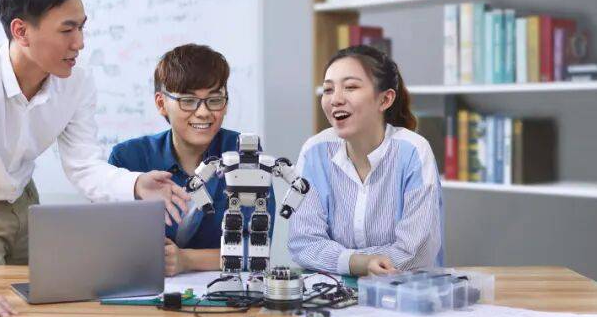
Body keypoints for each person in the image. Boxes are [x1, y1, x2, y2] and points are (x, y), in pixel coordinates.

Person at [0, 0, 189, 317]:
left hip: (25, 203)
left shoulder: (77, 82)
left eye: (81, 27)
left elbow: (82, 165)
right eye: (67, 29)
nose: (80, 43)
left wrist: (136, 185)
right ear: (21, 31)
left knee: (45, 307)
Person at [108, 44, 274, 276]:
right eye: (188, 100)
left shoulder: (242, 154)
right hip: (144, 288)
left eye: (214, 100)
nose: (203, 112)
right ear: (161, 103)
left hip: (220, 290)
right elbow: (110, 245)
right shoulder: (128, 158)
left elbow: (256, 249)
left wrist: (186, 260)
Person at [288, 45, 443, 276]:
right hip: (332, 291)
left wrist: (341, 259)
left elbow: (416, 252)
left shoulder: (414, 152)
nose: (335, 99)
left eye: (350, 87)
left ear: (385, 99)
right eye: (328, 89)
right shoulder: (314, 152)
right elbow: (303, 244)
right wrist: (359, 263)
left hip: (404, 289)